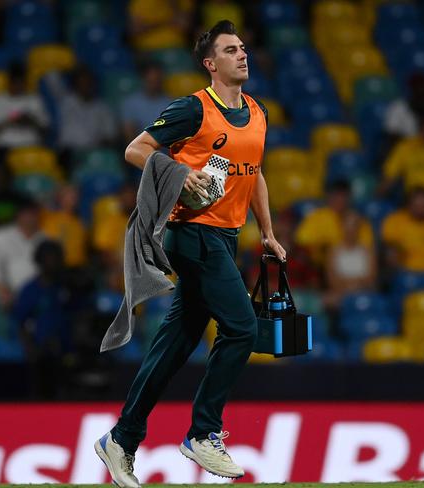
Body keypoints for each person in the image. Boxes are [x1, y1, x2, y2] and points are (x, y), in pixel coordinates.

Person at [94, 20, 285, 487]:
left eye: (243, 47)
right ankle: (203, 433)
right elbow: (136, 150)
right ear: (210, 63)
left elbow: (253, 172)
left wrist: (267, 231)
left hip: (226, 236)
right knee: (241, 327)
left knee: (175, 345)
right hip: (191, 233)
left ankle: (121, 439)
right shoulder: (193, 110)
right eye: (230, 50)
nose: (242, 55)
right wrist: (180, 170)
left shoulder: (257, 112)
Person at [12, 239, 72, 398]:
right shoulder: (30, 290)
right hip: (37, 356)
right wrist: (30, 347)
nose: (51, 262)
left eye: (55, 257)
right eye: (47, 257)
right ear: (39, 260)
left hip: (65, 355)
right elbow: (19, 323)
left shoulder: (67, 288)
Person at [294, 179, 374, 269]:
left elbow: (366, 248)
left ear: (349, 198)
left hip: (348, 266)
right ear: (329, 197)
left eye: (343, 196)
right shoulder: (316, 217)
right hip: (318, 266)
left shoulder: (357, 220)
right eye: (336, 196)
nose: (339, 200)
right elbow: (302, 242)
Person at [44, 65, 118, 161]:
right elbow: (50, 76)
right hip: (67, 152)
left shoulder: (102, 108)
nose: (85, 86)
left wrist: (102, 143)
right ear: (75, 84)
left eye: (88, 83)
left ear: (93, 85)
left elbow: (111, 135)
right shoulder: (66, 100)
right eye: (81, 82)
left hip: (91, 152)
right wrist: (68, 67)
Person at [0, 63, 49, 158]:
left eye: (21, 82)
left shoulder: (35, 101)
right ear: (9, 82)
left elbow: (45, 131)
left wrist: (30, 120)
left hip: (30, 149)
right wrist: (9, 122)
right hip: (3, 149)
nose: (18, 86)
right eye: (15, 82)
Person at [0, 198, 45, 307]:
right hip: (6, 295)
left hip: (37, 295)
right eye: (25, 214)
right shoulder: (1, 236)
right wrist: (2, 289)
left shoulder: (44, 239)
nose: (29, 218)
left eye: (32, 214)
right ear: (18, 215)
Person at [381, 186, 424, 279]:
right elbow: (391, 254)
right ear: (409, 205)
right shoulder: (394, 220)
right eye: (417, 206)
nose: (421, 209)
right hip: (403, 272)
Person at [324, 211, 377, 308]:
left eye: (354, 226)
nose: (351, 230)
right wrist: (349, 286)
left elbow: (371, 278)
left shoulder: (367, 251)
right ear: (342, 227)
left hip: (363, 292)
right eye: (348, 226)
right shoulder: (333, 252)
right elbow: (332, 279)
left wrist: (352, 285)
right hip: (340, 293)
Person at [120, 61, 171, 143]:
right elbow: (129, 134)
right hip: (139, 150)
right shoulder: (131, 103)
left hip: (165, 151)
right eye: (151, 81)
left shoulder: (170, 103)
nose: (154, 84)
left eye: (157, 80)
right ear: (143, 79)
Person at [41, 184, 87, 269]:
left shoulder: (79, 222)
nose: (73, 198)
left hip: (78, 268)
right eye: (68, 195)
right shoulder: (49, 218)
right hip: (59, 267)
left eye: (75, 195)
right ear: (59, 198)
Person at [383, 72, 424, 141]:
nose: (423, 97)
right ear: (413, 90)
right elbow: (391, 136)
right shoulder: (398, 108)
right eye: (421, 92)